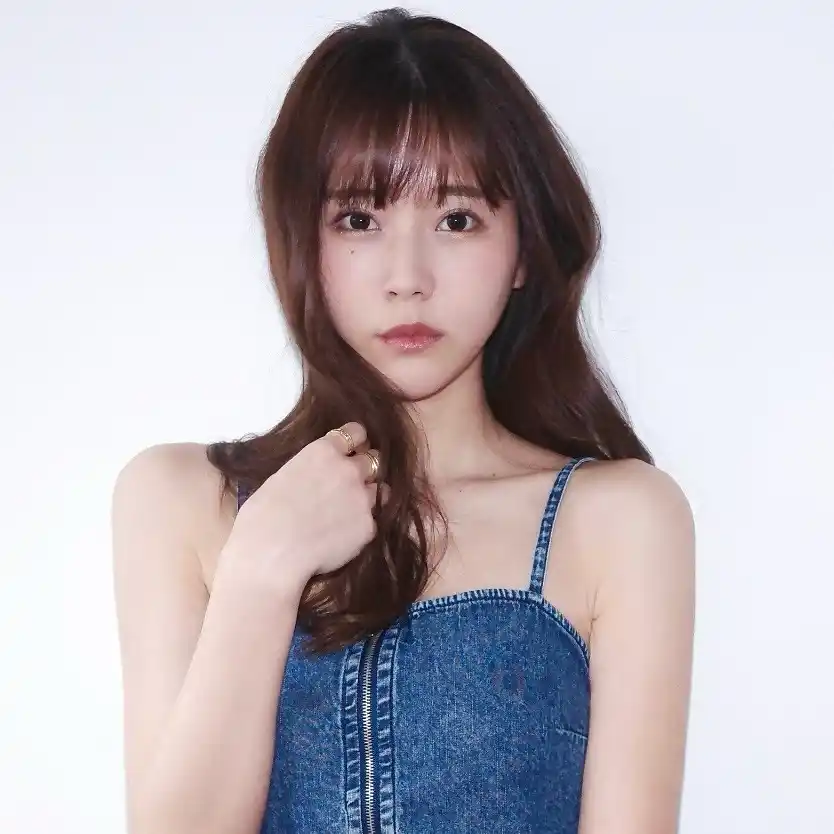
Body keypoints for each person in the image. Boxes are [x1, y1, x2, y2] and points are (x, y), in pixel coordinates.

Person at [111, 7, 696, 834]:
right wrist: (262, 572)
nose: (407, 277)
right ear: (302, 242)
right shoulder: (180, 500)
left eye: (457, 220)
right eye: (359, 219)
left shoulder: (622, 518)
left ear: (523, 250)